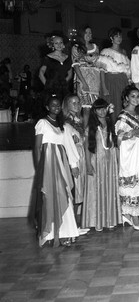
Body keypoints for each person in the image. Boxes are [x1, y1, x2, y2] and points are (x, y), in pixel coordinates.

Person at [32, 95, 80, 247]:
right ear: (47, 107)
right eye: (53, 105)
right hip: (48, 164)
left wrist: (72, 164)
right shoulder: (42, 123)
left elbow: (65, 144)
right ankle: (50, 233)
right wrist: (39, 168)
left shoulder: (61, 125)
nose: (56, 107)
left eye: (58, 105)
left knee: (64, 194)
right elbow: (38, 147)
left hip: (60, 162)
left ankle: (65, 232)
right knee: (49, 196)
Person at [115, 85, 139, 231]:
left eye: (138, 96)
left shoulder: (136, 115)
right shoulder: (124, 116)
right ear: (126, 98)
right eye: (133, 96)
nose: (136, 99)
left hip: (138, 153)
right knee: (132, 185)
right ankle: (133, 215)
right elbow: (118, 137)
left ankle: (130, 215)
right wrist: (133, 133)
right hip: (129, 156)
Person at [81, 98, 122, 231]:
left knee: (109, 189)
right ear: (94, 111)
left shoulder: (111, 125)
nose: (102, 111)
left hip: (110, 163)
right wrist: (88, 164)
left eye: (104, 108)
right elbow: (87, 147)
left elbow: (115, 146)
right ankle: (97, 221)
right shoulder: (91, 127)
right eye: (99, 109)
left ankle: (109, 219)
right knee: (97, 190)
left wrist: (117, 161)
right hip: (96, 162)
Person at [62, 94, 87, 227]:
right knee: (74, 189)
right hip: (74, 157)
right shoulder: (66, 123)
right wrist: (73, 164)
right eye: (73, 103)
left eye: (78, 102)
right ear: (67, 105)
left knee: (79, 191)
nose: (76, 105)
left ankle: (75, 223)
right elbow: (68, 144)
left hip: (81, 155)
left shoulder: (79, 120)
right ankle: (71, 224)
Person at [98, 27, 132, 123]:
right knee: (112, 105)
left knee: (123, 104)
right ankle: (112, 129)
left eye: (120, 36)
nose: (119, 38)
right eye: (116, 36)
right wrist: (104, 87)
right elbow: (101, 70)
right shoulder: (106, 51)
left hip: (122, 81)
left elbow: (127, 70)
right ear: (111, 38)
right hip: (111, 80)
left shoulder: (124, 52)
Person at [71, 25, 102, 125]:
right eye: (86, 33)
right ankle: (83, 131)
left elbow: (98, 64)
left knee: (95, 107)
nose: (89, 35)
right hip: (82, 78)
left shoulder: (96, 47)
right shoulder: (76, 48)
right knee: (85, 108)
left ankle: (93, 131)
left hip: (95, 80)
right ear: (82, 34)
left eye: (90, 33)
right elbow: (76, 66)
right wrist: (83, 82)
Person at [39, 35, 73, 100]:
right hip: (51, 89)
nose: (59, 45)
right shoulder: (48, 57)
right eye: (56, 43)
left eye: (61, 42)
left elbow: (70, 74)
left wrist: (63, 84)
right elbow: (41, 73)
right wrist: (48, 86)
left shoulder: (67, 58)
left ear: (63, 44)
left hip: (64, 89)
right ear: (52, 45)